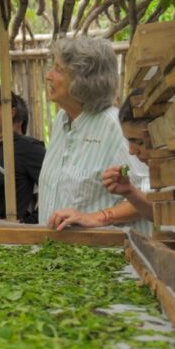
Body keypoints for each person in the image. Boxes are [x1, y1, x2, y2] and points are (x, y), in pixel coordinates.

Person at [39, 37, 149, 231]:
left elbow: (151, 195)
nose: (48, 75)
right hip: (59, 254)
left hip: (107, 256)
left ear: (84, 81)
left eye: (59, 69)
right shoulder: (62, 121)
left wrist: (99, 217)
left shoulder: (113, 126)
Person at [0, 86, 45, 223]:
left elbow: (55, 189)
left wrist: (28, 223)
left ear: (11, 112)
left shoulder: (28, 148)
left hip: (10, 237)